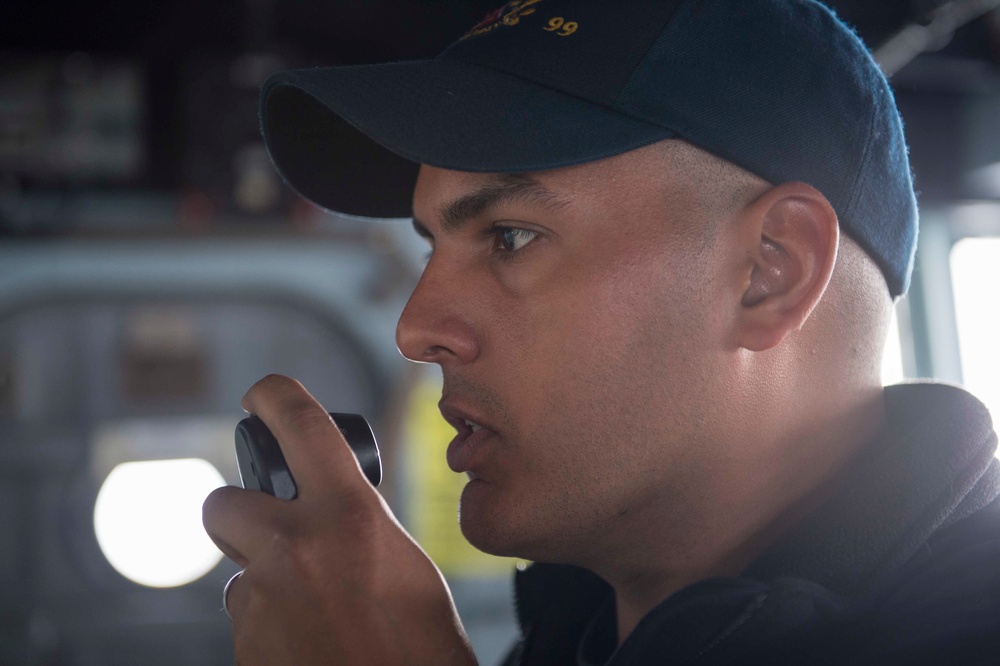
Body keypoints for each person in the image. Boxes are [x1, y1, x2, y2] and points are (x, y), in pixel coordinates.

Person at [202, 0, 1000, 664]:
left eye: (509, 237)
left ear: (772, 270)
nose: (418, 329)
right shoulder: (571, 638)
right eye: (429, 245)